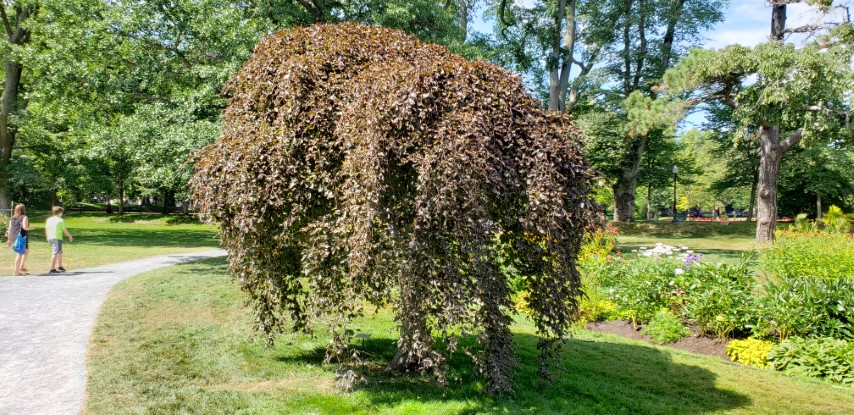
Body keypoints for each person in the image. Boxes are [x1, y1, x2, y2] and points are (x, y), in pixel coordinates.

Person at [45, 206, 73, 274]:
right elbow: (64, 230)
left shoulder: (49, 219)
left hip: (50, 237)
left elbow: (46, 229)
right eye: (62, 212)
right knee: (55, 252)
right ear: (60, 213)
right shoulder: (60, 220)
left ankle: (60, 266)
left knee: (59, 251)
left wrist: (47, 236)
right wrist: (69, 236)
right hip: (57, 238)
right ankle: (52, 269)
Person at [6, 204, 32, 276]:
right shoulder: (24, 217)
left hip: (15, 237)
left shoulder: (12, 218)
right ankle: (17, 272)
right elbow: (24, 227)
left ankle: (21, 266)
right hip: (22, 237)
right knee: (19, 254)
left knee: (25, 250)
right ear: (23, 209)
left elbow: (10, 229)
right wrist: (31, 228)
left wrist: (9, 239)